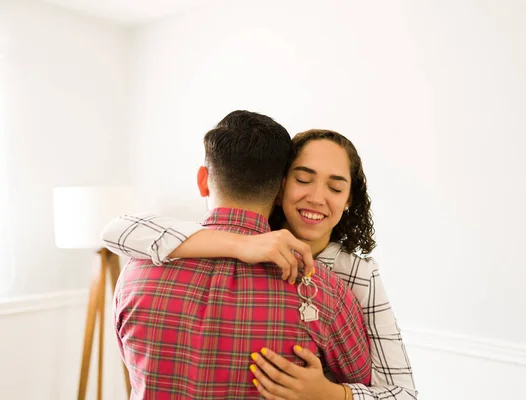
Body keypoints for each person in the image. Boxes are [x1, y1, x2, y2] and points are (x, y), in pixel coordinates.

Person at [105, 129, 418, 400]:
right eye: (303, 179)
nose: (317, 197)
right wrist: (242, 244)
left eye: (335, 188)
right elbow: (116, 230)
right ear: (279, 187)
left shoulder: (354, 276)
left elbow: (401, 392)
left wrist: (331, 394)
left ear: (349, 199)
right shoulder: (204, 248)